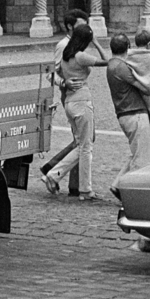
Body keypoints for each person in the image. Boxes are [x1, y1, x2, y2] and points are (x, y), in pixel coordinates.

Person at [41, 21, 106, 198]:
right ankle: (84, 188)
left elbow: (54, 73)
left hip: (70, 100)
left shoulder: (66, 55)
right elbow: (108, 61)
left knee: (81, 144)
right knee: (86, 147)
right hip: (82, 100)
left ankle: (55, 174)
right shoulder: (80, 56)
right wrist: (97, 43)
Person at [107, 32, 150, 183]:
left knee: (136, 153)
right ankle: (130, 189)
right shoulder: (122, 67)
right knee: (141, 160)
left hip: (124, 113)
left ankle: (117, 185)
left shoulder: (113, 65)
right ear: (127, 47)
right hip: (135, 114)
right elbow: (145, 87)